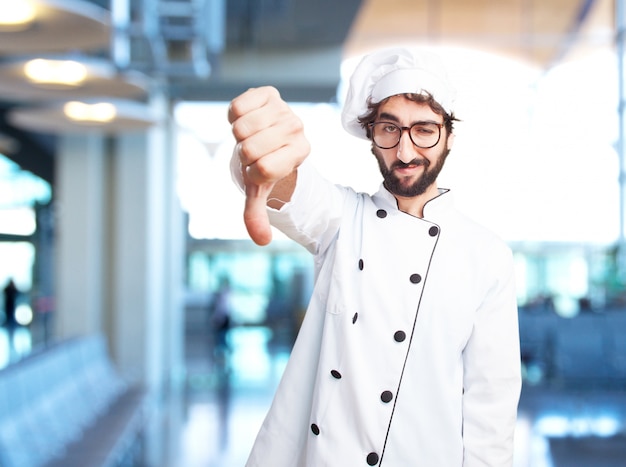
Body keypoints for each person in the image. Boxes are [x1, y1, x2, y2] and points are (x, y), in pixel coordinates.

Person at [228, 47, 522, 466]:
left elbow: (490, 405)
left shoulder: (487, 256)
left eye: (424, 130)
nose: (405, 152)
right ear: (372, 138)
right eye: (389, 129)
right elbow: (286, 186)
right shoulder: (341, 220)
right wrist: (265, 155)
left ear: (449, 136)